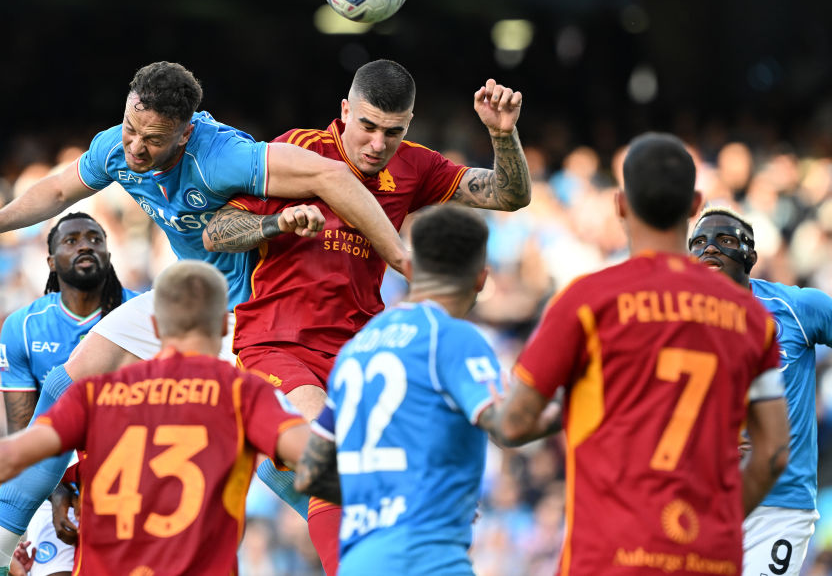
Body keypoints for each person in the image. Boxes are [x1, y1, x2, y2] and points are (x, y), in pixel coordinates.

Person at [0, 60, 409, 575]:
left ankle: (373, 553)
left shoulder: (225, 156)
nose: (134, 148)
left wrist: (399, 257)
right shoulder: (118, 144)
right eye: (130, 128)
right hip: (184, 295)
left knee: (283, 460)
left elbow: (330, 175)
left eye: (152, 139)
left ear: (185, 133)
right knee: (69, 382)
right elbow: (59, 191)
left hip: (247, 312)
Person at [202, 59, 531, 573]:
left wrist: (502, 136)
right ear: (344, 112)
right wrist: (278, 224)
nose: (378, 144)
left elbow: (509, 195)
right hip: (276, 344)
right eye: (368, 127)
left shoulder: (416, 167)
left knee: (353, 483)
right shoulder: (299, 151)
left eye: (393, 132)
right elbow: (217, 230)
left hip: (357, 354)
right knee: (336, 458)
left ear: (410, 126)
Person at [0, 260, 312, 576]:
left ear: (155, 326)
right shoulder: (243, 395)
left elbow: (6, 458)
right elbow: (319, 466)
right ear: (227, 326)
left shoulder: (97, 395)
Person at [483, 132, 790, 575]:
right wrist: (715, 524)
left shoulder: (587, 300)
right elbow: (775, 451)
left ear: (621, 205)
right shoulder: (751, 318)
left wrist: (553, 412)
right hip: (709, 557)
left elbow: (511, 425)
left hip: (609, 558)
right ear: (694, 204)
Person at [292, 204, 517, 574]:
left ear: (409, 268)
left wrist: (381, 498)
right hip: (426, 560)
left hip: (358, 563)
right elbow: (507, 426)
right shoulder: (452, 336)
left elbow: (310, 474)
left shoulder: (356, 351)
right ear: (481, 278)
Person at [691, 206, 832, 576]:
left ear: (749, 256)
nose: (709, 250)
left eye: (723, 240)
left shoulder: (796, 308)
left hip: (779, 506)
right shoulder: (672, 325)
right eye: (699, 243)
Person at [0, 212, 138, 576]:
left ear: (108, 254)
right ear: (50, 262)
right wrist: (58, 495)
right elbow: (23, 430)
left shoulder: (142, 312)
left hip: (133, 470)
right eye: (71, 241)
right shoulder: (22, 327)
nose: (85, 245)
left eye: (95, 239)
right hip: (55, 476)